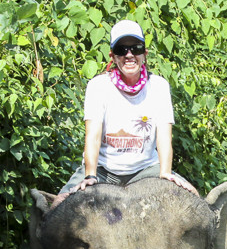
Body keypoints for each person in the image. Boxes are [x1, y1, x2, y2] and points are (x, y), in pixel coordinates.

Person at [57, 20, 197, 201]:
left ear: (145, 54)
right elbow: (93, 136)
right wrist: (90, 175)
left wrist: (165, 173)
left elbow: (164, 136)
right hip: (103, 170)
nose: (129, 55)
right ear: (113, 56)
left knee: (193, 198)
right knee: (58, 205)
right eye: (122, 50)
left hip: (146, 170)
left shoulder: (159, 86)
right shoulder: (98, 86)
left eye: (136, 48)